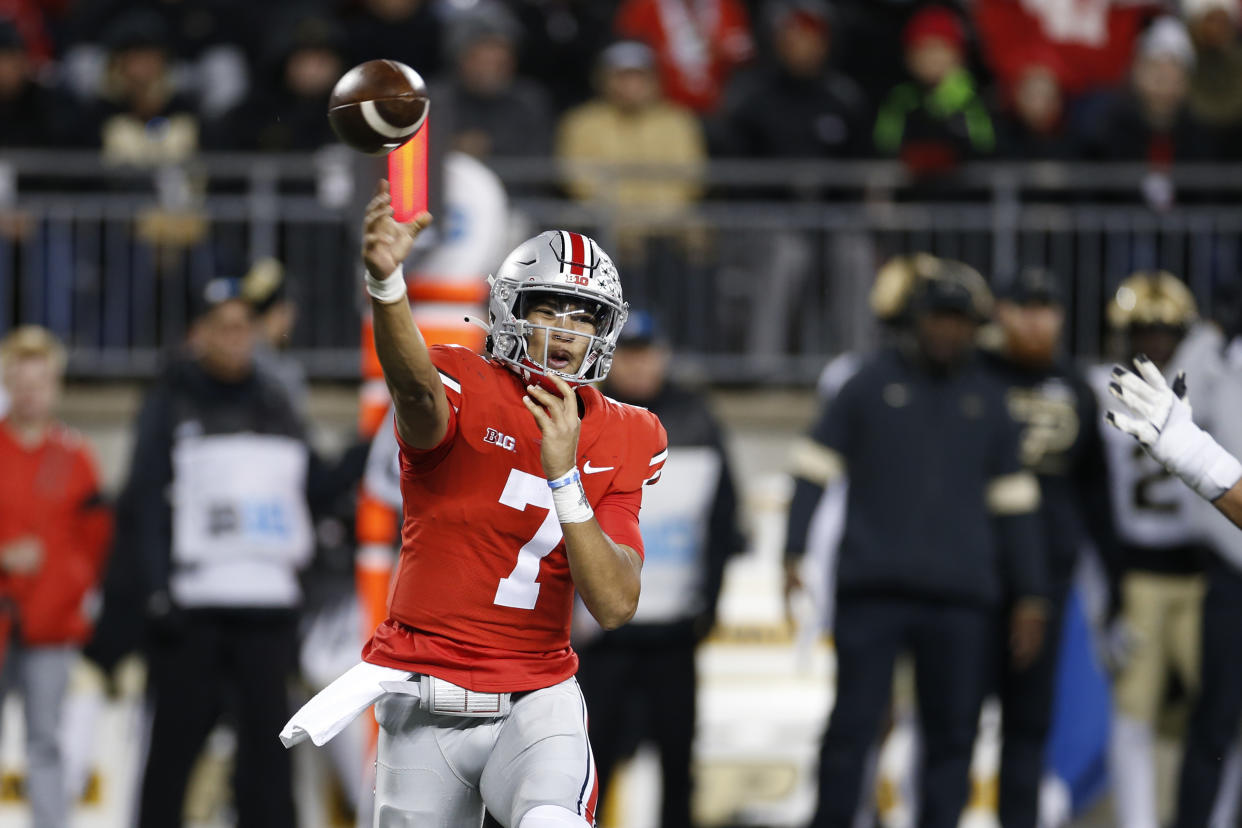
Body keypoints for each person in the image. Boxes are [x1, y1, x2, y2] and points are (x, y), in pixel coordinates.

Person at [281, 182, 667, 828]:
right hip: (427, 691)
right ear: (512, 311)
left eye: (584, 315)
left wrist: (565, 478)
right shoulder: (463, 384)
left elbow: (616, 601)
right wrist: (387, 286)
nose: (567, 331)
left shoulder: (629, 433)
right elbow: (416, 392)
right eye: (551, 308)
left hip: (536, 694)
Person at [784, 259, 1047, 828]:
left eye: (960, 320)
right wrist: (792, 551)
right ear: (914, 320)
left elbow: (1017, 507)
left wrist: (1031, 594)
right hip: (872, 592)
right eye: (938, 318)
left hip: (960, 601)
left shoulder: (991, 399)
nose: (948, 331)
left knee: (953, 738)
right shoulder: (867, 383)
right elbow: (812, 469)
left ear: (976, 328)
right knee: (852, 727)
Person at [108, 277, 351, 828]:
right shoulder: (169, 401)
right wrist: (155, 591)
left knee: (267, 767)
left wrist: (374, 444)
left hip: (266, 616)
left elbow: (312, 485)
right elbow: (144, 501)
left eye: (245, 326)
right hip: (191, 612)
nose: (238, 338)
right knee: (171, 757)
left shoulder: (275, 403)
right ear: (199, 334)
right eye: (225, 327)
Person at [575, 311, 742, 828]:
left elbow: (722, 524)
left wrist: (708, 607)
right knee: (589, 766)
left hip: (672, 631)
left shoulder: (698, 418)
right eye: (629, 352)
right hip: (603, 637)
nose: (640, 364)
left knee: (677, 765)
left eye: (648, 352)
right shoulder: (584, 415)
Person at [981, 268, 1120, 827]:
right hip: (974, 572)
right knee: (951, 719)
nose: (1038, 321)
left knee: (1029, 723)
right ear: (1001, 314)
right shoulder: (974, 376)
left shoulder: (1076, 387)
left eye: (1048, 308)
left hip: (1049, 576)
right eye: (1026, 308)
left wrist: (1118, 581)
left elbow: (1097, 496)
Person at [1088, 271, 1213, 828]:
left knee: (1218, 711)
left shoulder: (1210, 379)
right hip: (1138, 570)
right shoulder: (1099, 388)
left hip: (1205, 570)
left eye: (1166, 331)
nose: (1158, 342)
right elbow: (1091, 495)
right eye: (1146, 329)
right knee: (1133, 712)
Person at [0, 326, 111, 828]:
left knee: (47, 740)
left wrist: (72, 595)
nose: (29, 393)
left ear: (55, 386)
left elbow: (95, 539)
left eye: (38, 382)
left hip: (53, 622)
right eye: (19, 382)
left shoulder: (76, 457)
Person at [873, 6, 995, 175]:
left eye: (939, 48)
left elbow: (987, 155)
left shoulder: (975, 102)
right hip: (910, 198)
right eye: (922, 49)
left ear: (958, 55)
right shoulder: (899, 101)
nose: (931, 58)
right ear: (909, 58)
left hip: (962, 199)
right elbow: (883, 151)